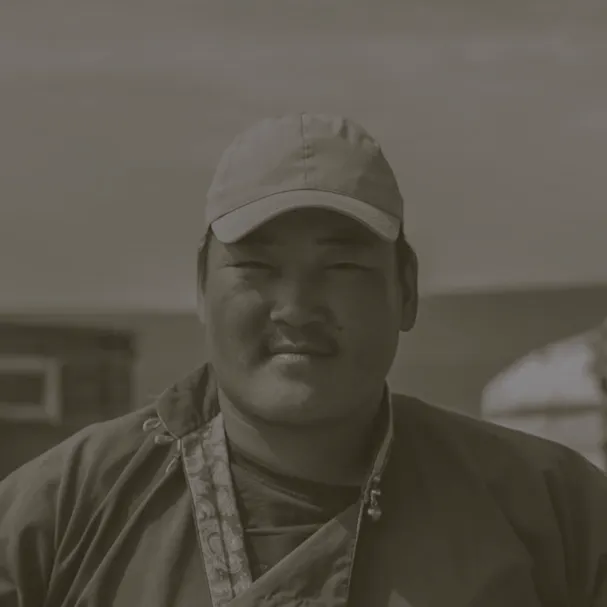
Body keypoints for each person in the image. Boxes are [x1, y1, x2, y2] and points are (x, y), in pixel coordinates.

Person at [1, 114, 606, 607]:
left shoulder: (554, 512)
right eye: (257, 268)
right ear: (200, 289)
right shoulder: (61, 517)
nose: (296, 307)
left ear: (408, 289)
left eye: (342, 267)